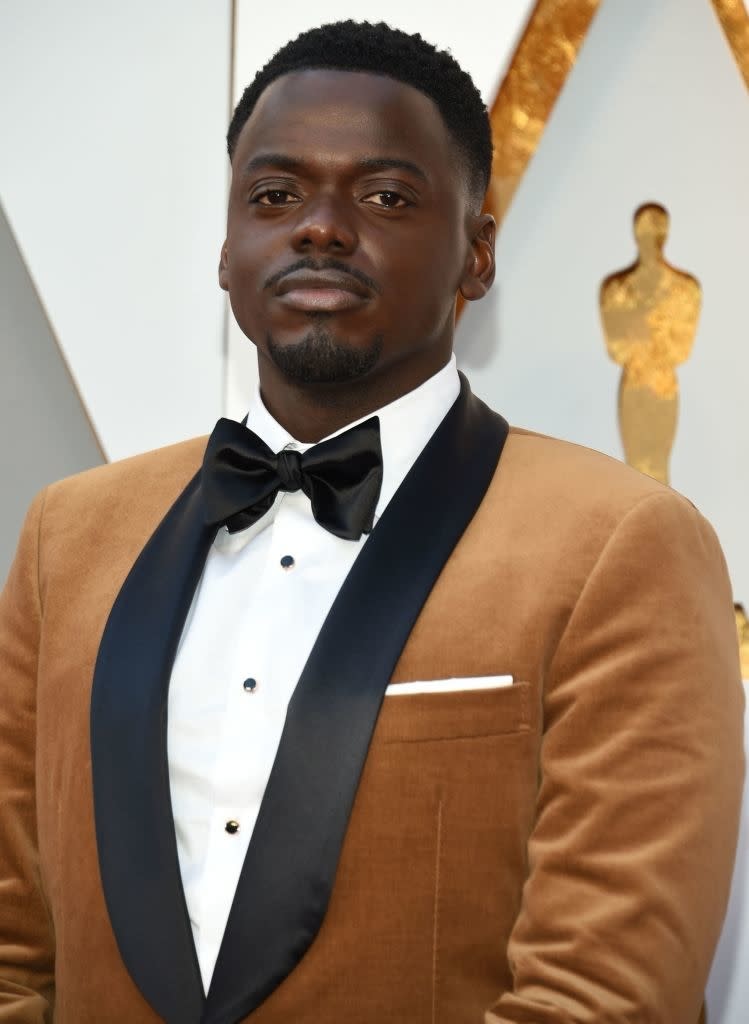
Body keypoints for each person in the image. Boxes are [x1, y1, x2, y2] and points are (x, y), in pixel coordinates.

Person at [0, 20, 743, 1024]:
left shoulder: (620, 545)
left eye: (385, 196)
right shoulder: (66, 535)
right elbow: (13, 948)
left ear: (476, 256)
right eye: (275, 196)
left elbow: (602, 995)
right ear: (226, 251)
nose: (319, 226)